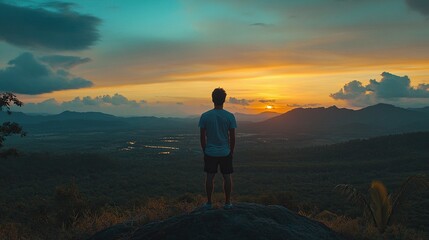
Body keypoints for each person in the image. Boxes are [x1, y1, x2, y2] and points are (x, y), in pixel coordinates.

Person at [199, 88, 237, 210]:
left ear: (212, 99)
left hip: (210, 151)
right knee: (227, 177)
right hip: (225, 151)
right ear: (224, 100)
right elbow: (232, 137)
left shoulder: (205, 116)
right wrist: (231, 151)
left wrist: (205, 150)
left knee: (210, 177)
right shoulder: (230, 116)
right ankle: (227, 203)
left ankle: (209, 203)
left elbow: (202, 136)